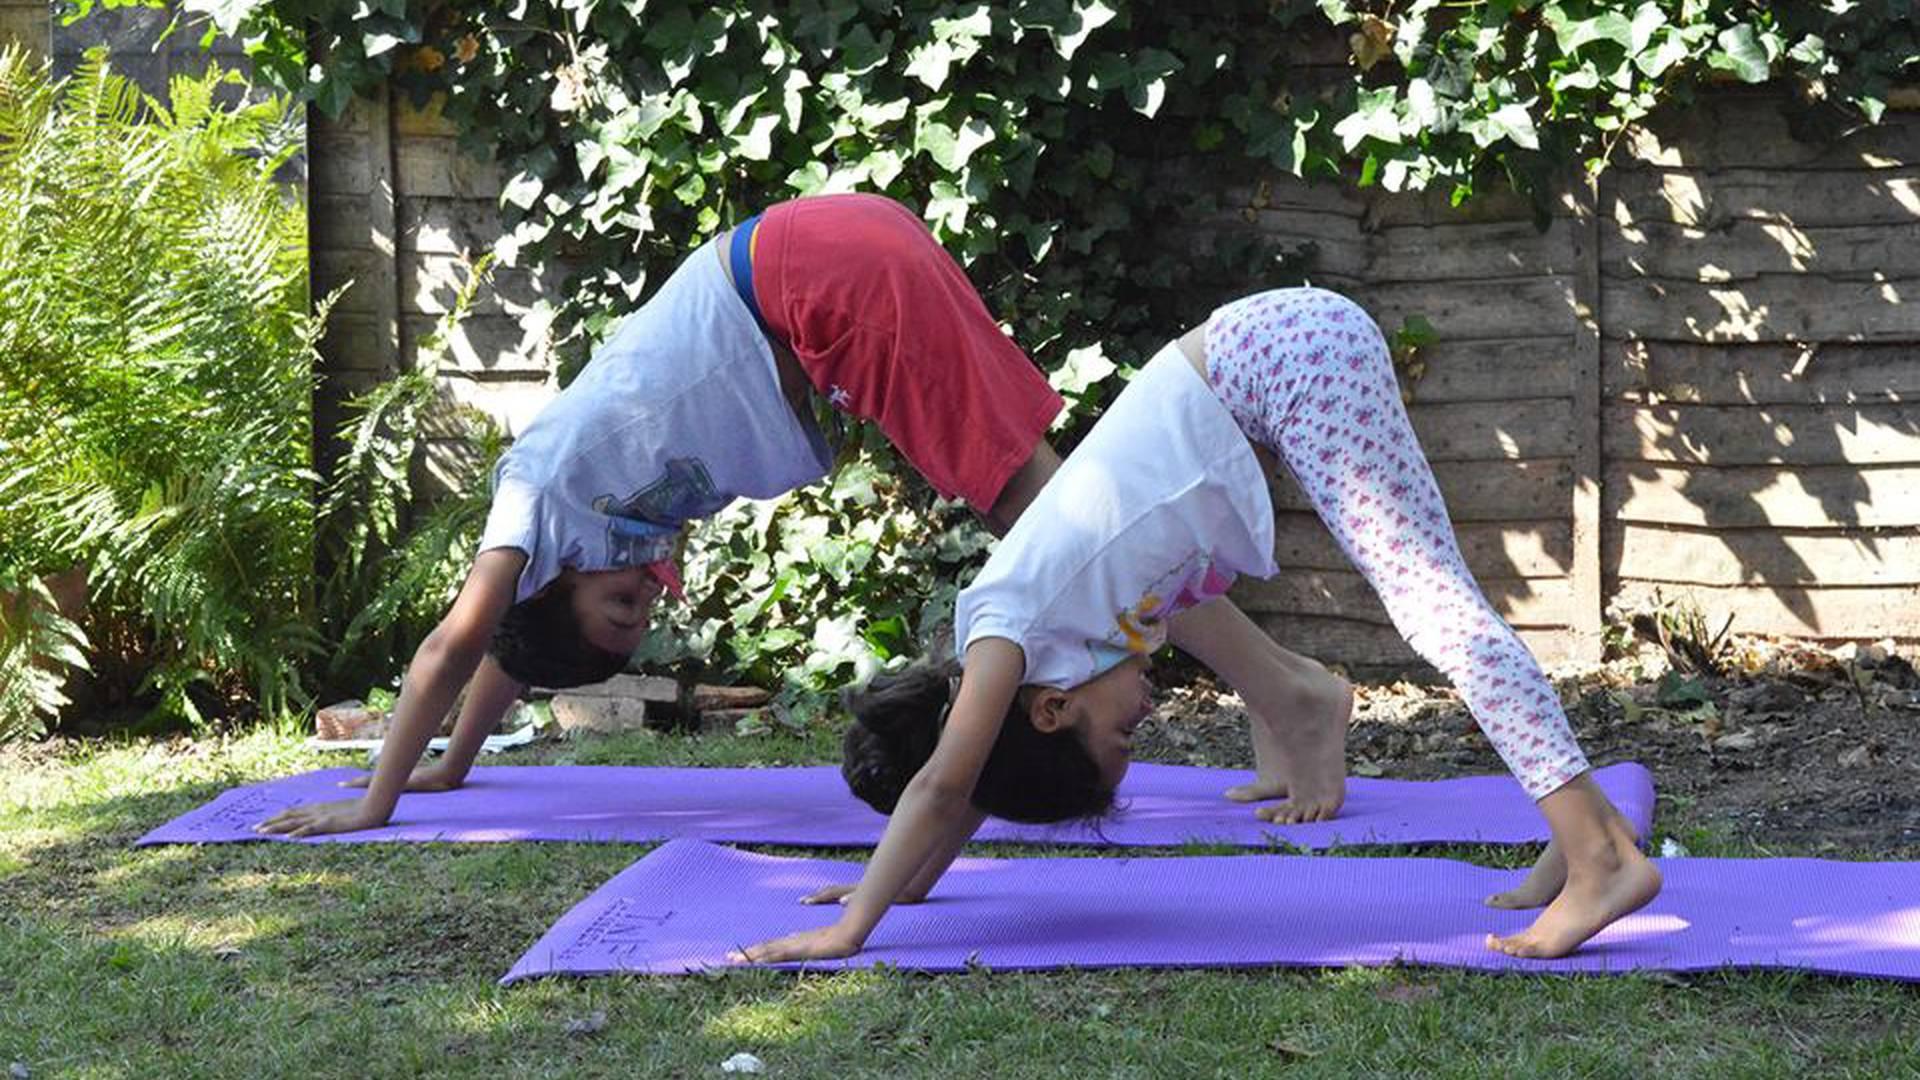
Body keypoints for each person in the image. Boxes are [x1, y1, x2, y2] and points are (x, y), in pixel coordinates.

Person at [736, 287, 1660, 964]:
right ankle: (1587, 827)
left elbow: (947, 782)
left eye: (1124, 728)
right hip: (1277, 352)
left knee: (1433, 610)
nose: (1146, 706)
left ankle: (1599, 856)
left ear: (1053, 713)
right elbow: (970, 784)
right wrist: (894, 886)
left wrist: (851, 927)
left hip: (1285, 352)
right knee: (1436, 605)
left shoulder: (1003, 629)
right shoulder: (1034, 672)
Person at [256, 192, 1070, 838]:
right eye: (639, 615)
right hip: (825, 274)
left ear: (549, 583)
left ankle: (1125, 674)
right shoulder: (590, 555)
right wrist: (453, 765)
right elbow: (515, 656)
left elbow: (459, 642)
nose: (646, 594)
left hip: (816, 284)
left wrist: (380, 800)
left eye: (620, 606)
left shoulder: (537, 494)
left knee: (1058, 528)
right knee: (1057, 526)